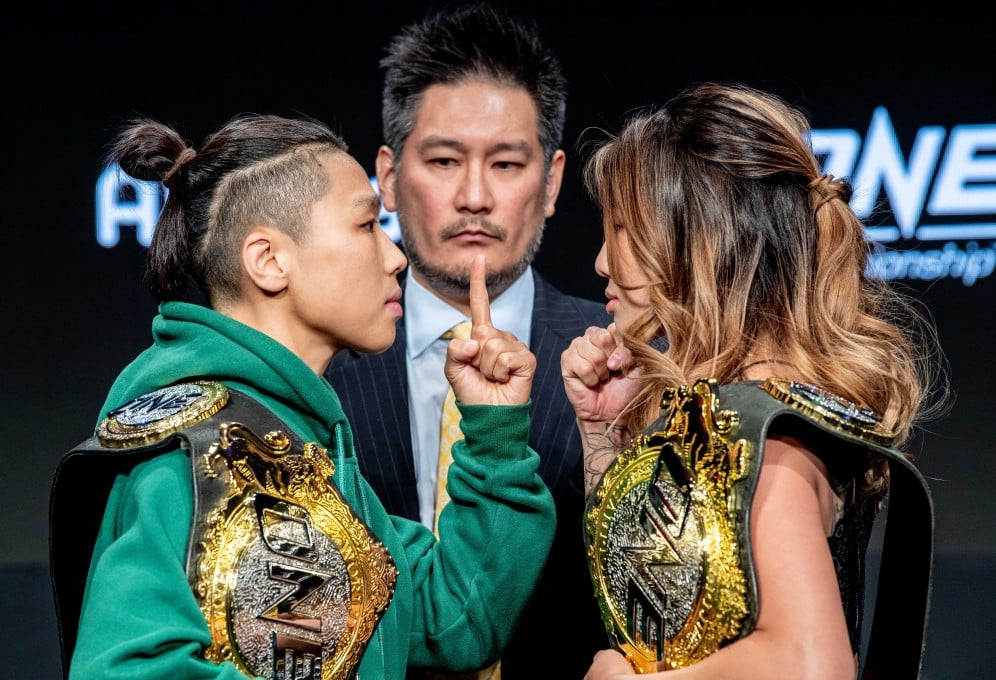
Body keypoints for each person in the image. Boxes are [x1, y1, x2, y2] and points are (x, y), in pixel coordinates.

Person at [48, 113, 558, 680]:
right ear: (269, 261)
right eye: (367, 226)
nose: (394, 257)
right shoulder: (189, 459)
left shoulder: (306, 449)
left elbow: (454, 620)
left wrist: (494, 430)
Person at [560, 82, 946, 679]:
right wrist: (602, 433)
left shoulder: (766, 429)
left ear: (699, 244)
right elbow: (654, 609)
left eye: (623, 230)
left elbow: (813, 663)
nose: (603, 261)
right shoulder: (737, 412)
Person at [324, 4, 610, 678]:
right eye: (445, 160)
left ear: (552, 182)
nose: (475, 196)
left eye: (507, 164)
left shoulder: (623, 358)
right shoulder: (319, 370)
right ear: (388, 177)